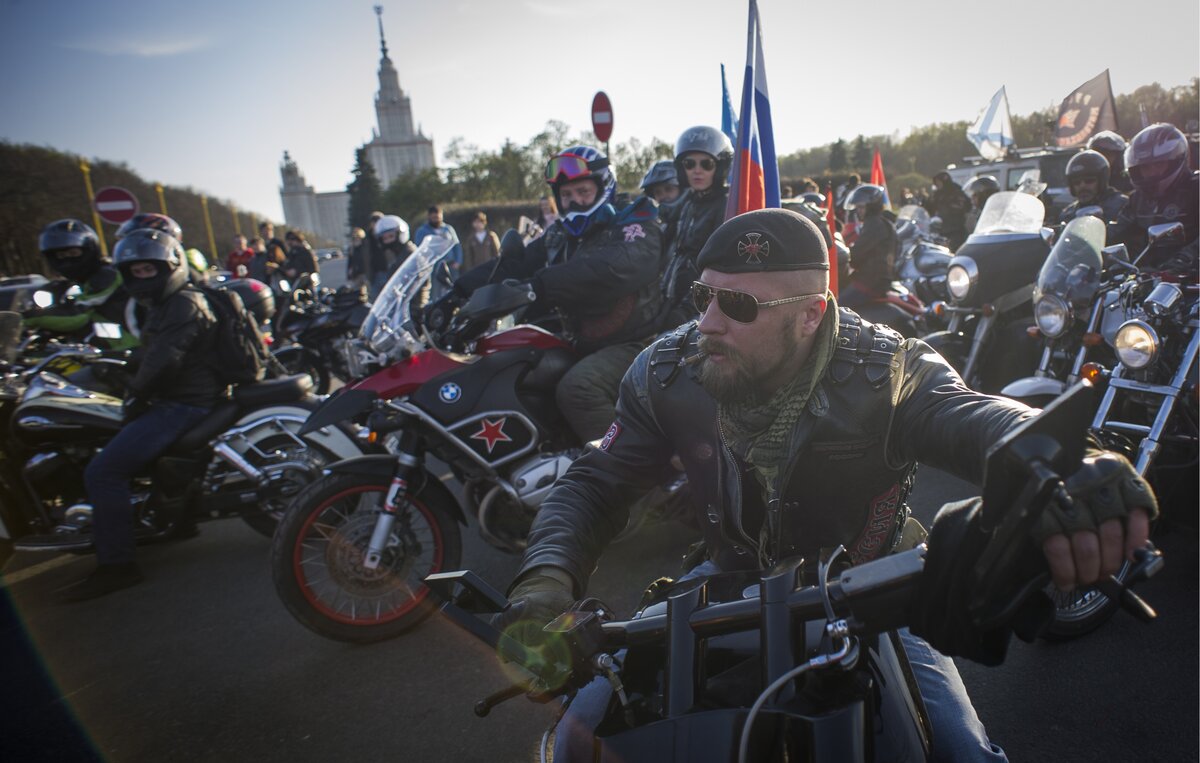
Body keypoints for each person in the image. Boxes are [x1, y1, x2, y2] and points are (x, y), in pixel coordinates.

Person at [494, 208, 1155, 762]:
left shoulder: (887, 367)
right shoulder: (665, 369)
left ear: (811, 315)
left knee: (963, 752)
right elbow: (596, 481)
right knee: (574, 737)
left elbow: (974, 415)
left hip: (879, 590)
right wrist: (544, 582)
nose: (707, 323)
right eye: (702, 295)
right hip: (720, 583)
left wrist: (1065, 460)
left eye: (738, 304)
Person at [443, 145, 663, 442]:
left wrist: (539, 286)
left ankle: (633, 476)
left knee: (579, 388)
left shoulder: (633, 224)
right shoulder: (561, 234)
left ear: (604, 188)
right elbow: (514, 264)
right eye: (566, 195)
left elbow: (611, 269)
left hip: (639, 342)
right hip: (586, 342)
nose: (574, 202)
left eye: (583, 192)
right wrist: (455, 294)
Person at [56, 229, 221, 601]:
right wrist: (117, 365)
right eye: (136, 271)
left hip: (184, 403)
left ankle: (117, 566)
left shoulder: (182, 304)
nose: (142, 277)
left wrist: (133, 392)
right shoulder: (167, 303)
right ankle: (174, 523)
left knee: (103, 470)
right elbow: (153, 353)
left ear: (170, 266)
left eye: (149, 269)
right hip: (180, 396)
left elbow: (164, 360)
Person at [659, 126, 734, 327]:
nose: (697, 170)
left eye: (706, 164)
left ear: (719, 167)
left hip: (702, 309)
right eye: (689, 164)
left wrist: (686, 309)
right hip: (672, 300)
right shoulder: (688, 203)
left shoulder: (727, 205)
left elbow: (719, 266)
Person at [24, 219, 135, 348]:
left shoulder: (106, 275)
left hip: (129, 351)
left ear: (90, 249)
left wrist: (25, 318)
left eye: (73, 253)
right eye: (61, 255)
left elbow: (77, 316)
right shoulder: (79, 282)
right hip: (106, 349)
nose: (67, 260)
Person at [1116, 122, 1199, 263]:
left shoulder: (1195, 188)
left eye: (1158, 164)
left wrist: (1186, 257)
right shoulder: (1137, 199)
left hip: (1190, 279)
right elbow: (1118, 232)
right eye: (1145, 167)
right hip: (1146, 278)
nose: (1151, 173)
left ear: (1177, 159)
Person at [838, 184, 896, 308]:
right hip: (878, 278)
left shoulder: (874, 224)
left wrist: (844, 256)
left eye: (861, 207)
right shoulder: (884, 222)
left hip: (870, 281)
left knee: (837, 307)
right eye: (857, 207)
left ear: (872, 207)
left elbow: (857, 253)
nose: (858, 211)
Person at [1057, 151, 1129, 244]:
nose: (1082, 186)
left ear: (1102, 181)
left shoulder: (1122, 205)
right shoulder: (1068, 213)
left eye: (1089, 181)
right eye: (1076, 183)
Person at [413, 205, 463, 292]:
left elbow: (456, 245)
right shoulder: (422, 231)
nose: (436, 219)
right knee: (435, 291)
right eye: (434, 217)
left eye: (438, 217)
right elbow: (419, 249)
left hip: (450, 265)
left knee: (453, 289)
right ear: (429, 217)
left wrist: (458, 261)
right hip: (433, 266)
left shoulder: (448, 229)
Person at [927, 171, 971, 250]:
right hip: (940, 229)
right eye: (936, 183)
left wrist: (949, 205)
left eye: (939, 182)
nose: (937, 185)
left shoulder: (957, 192)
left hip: (955, 230)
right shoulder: (937, 194)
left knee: (954, 249)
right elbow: (930, 207)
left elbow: (964, 206)